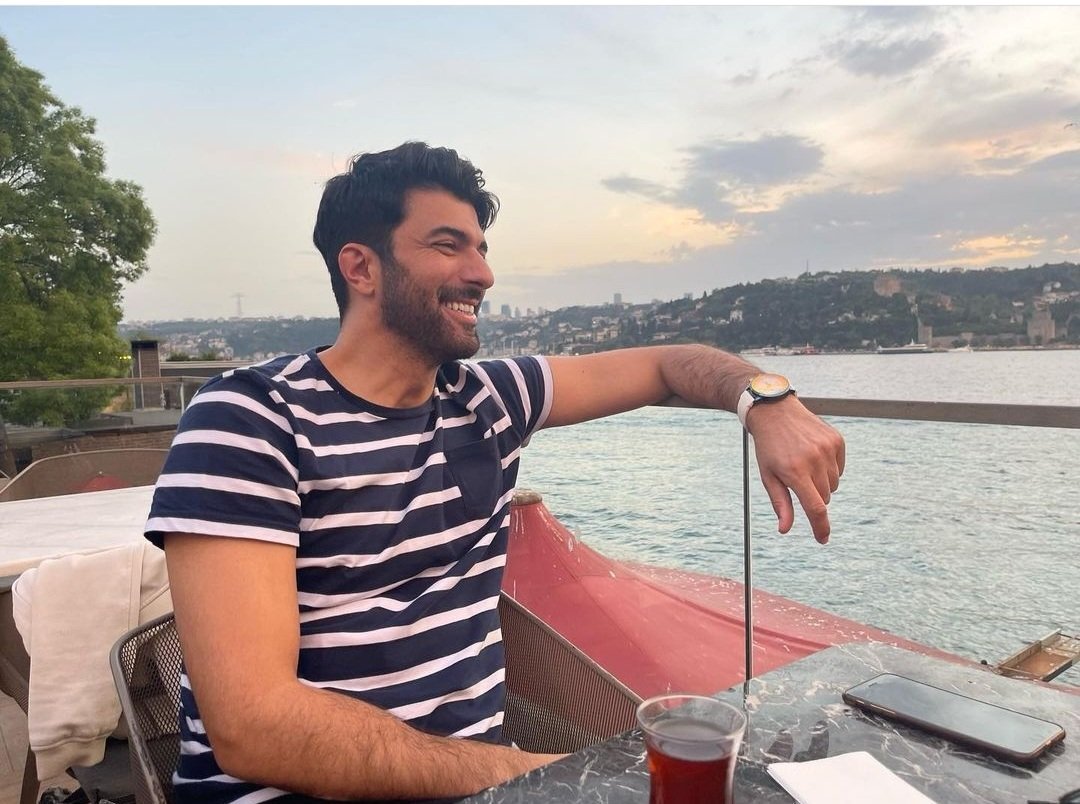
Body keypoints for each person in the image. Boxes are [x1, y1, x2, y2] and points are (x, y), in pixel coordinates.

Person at [146, 141, 845, 804]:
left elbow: (669, 363)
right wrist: (549, 778)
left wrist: (767, 398)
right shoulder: (251, 418)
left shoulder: (489, 400)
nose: (481, 273)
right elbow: (254, 727)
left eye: (481, 248)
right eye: (447, 245)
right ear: (360, 269)